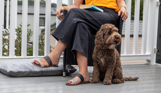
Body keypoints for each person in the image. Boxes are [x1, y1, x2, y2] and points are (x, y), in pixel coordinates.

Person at [32, 0, 128, 86]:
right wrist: (64, 8)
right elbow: (75, 6)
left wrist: (123, 8)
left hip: (108, 16)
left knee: (75, 14)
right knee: (80, 25)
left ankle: (54, 56)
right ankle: (83, 73)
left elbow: (121, 2)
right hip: (89, 15)